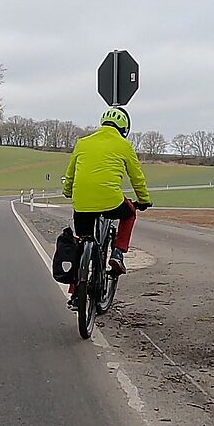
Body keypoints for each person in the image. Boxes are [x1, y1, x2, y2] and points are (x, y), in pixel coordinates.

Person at [61, 106, 152, 308]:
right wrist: (143, 200)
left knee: (82, 242)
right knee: (129, 213)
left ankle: (76, 295)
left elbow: (70, 174)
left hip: (82, 204)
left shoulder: (82, 143)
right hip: (111, 202)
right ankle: (118, 253)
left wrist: (68, 192)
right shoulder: (124, 145)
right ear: (124, 128)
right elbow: (137, 178)